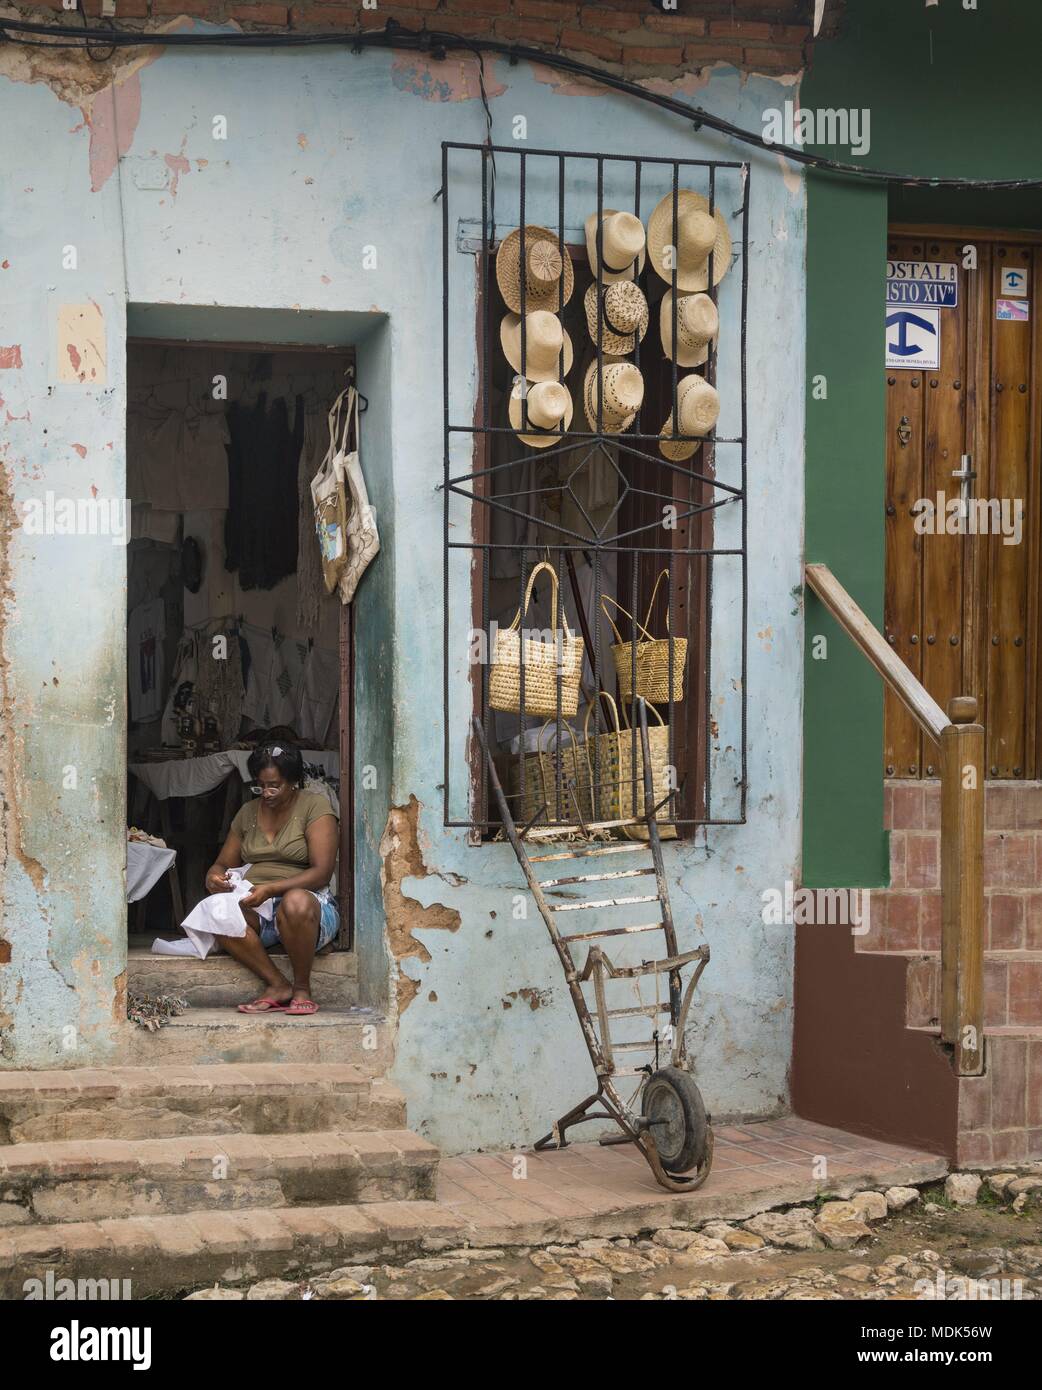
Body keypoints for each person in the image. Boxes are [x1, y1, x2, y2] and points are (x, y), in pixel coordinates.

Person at [203, 742, 339, 1015]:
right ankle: (278, 984)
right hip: (260, 906)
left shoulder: (315, 806)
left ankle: (302, 988)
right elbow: (222, 863)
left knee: (295, 902)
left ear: (293, 782)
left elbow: (322, 872)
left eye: (274, 786)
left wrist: (272, 888)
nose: (266, 793)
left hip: (311, 908)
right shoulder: (248, 812)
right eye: (260, 786)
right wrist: (213, 877)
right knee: (217, 909)